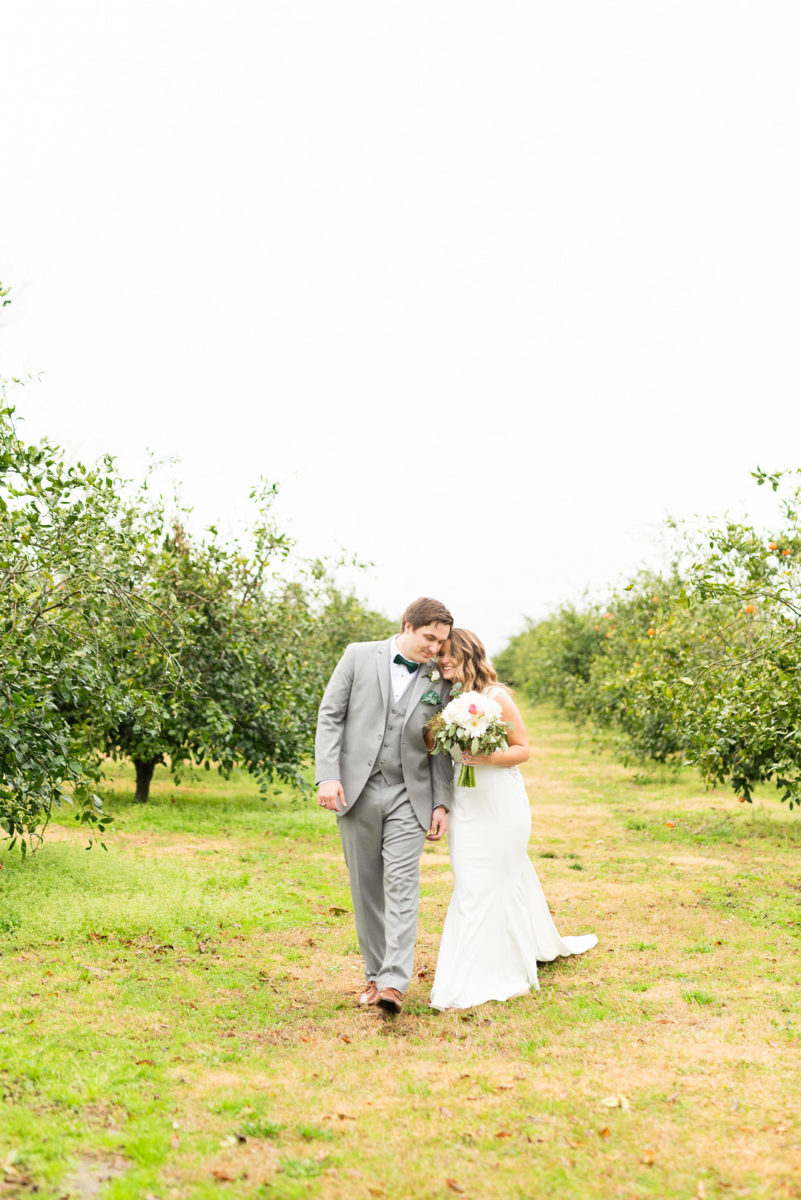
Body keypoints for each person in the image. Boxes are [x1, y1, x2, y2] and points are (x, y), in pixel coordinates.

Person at [429, 628, 597, 1011]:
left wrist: (486, 758)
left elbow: (522, 749)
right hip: (466, 804)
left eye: (450, 653)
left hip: (502, 804)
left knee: (500, 879)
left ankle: (499, 965)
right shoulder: (445, 699)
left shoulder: (495, 697)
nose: (443, 660)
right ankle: (477, 965)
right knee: (471, 883)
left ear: (469, 654)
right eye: (440, 655)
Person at [315, 597, 454, 1014]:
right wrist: (327, 774)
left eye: (441, 641)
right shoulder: (358, 656)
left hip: (409, 794)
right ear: (407, 626)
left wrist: (442, 802)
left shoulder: (439, 678)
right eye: (429, 638)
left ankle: (395, 981)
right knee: (366, 887)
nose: (434, 648)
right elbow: (330, 715)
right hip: (354, 790)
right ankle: (374, 975)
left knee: (401, 883)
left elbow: (442, 747)